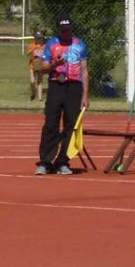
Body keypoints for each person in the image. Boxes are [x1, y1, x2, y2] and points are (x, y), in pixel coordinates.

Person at [35, 16, 89, 175]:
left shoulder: (80, 44)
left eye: (68, 29)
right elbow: (43, 68)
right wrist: (54, 64)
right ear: (59, 30)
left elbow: (85, 70)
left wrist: (86, 95)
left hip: (74, 87)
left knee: (71, 125)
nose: (65, 32)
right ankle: (45, 161)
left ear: (71, 29)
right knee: (51, 122)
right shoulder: (51, 44)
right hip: (56, 85)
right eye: (62, 30)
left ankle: (63, 161)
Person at [26, 31, 47, 101]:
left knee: (40, 80)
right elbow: (27, 53)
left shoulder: (44, 46)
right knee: (32, 81)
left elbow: (47, 55)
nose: (39, 40)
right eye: (38, 38)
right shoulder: (32, 45)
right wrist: (33, 49)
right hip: (32, 65)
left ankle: (40, 98)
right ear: (35, 39)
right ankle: (33, 93)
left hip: (41, 64)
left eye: (40, 38)